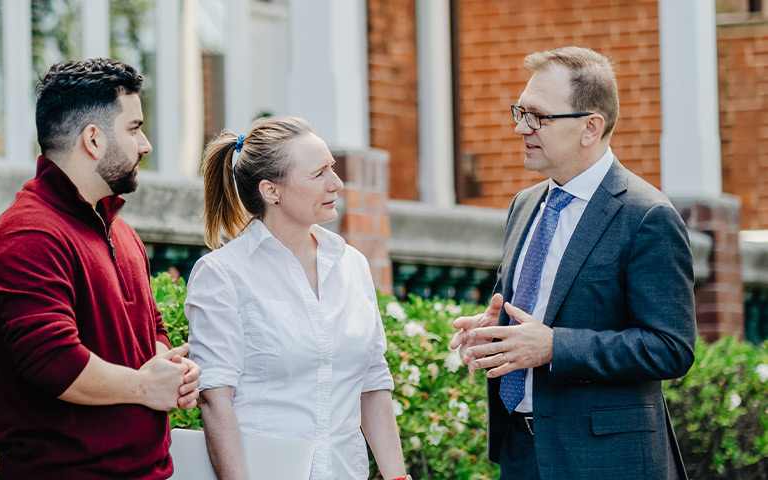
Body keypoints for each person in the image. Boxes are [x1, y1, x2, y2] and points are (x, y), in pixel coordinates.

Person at [449, 46, 696, 479]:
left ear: (590, 127)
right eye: (520, 112)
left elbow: (671, 348)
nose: (520, 127)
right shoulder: (524, 206)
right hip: (521, 452)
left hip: (605, 462)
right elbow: (533, 315)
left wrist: (553, 347)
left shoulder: (647, 217)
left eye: (538, 117)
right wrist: (492, 334)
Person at [0, 58, 201, 479]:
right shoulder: (29, 235)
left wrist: (169, 369)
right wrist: (143, 386)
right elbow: (54, 363)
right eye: (134, 128)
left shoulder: (124, 233)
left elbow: (150, 331)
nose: (146, 144)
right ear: (93, 140)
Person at [184, 116, 408, 480]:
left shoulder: (352, 265)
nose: (336, 183)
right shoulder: (222, 274)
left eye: (332, 168)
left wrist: (398, 477)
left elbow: (372, 384)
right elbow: (215, 398)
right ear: (272, 191)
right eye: (319, 174)